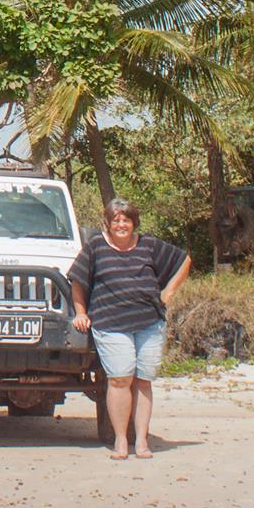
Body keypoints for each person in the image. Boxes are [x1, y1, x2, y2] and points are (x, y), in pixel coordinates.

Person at [69, 197, 191, 460]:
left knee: (143, 381)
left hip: (149, 322)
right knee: (120, 379)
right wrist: (80, 312)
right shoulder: (96, 247)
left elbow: (184, 261)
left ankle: (143, 441)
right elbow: (77, 279)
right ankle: (121, 441)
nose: (121, 224)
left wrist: (169, 291)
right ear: (108, 223)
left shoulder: (149, 244)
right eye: (116, 220)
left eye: (126, 220)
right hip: (110, 323)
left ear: (134, 223)